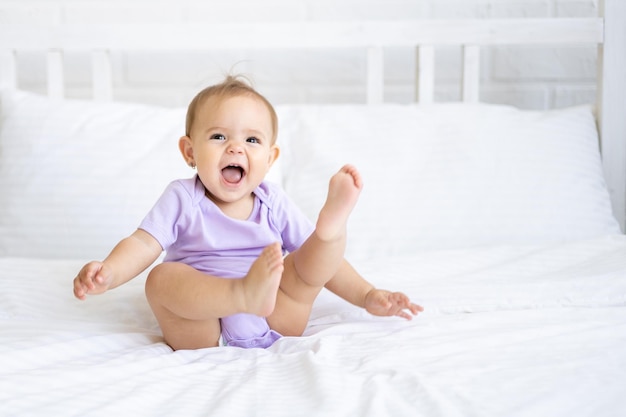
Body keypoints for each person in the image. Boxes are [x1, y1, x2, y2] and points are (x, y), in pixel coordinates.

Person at [73, 75, 423, 350]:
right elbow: (142, 244)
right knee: (161, 280)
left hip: (276, 316)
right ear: (189, 151)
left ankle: (331, 230)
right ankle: (241, 293)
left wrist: (366, 294)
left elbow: (326, 272)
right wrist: (110, 272)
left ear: (270, 159)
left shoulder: (273, 201)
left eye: (252, 141)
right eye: (219, 137)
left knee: (307, 264)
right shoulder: (182, 197)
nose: (236, 147)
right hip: (204, 327)